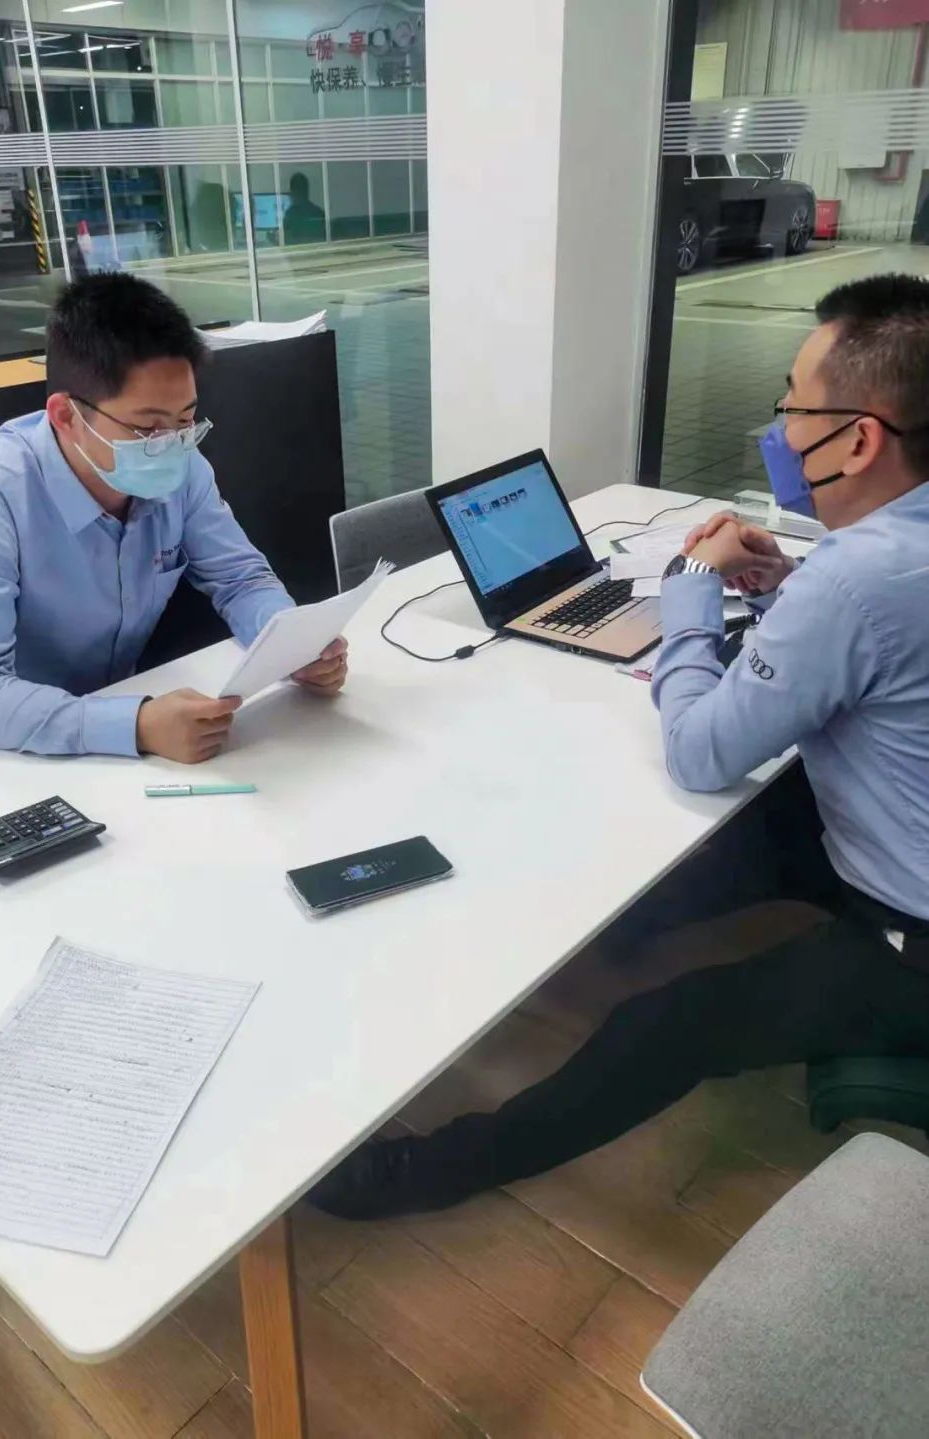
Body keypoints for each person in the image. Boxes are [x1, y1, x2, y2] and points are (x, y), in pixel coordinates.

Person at [310, 271, 929, 1220]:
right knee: (681, 864)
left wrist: (690, 586)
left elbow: (700, 752)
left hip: (909, 935)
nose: (780, 427)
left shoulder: (855, 579)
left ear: (860, 439)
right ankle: (589, 941)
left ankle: (432, 1170)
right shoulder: (888, 553)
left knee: (666, 1023)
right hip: (884, 837)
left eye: (794, 406)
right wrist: (778, 593)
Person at [0, 272, 347, 762]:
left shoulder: (182, 468)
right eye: (147, 428)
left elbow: (241, 578)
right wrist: (134, 725)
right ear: (66, 416)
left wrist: (289, 644)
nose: (172, 444)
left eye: (185, 420)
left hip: (112, 709)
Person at [283, 172, 326, 247]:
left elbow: (287, 242)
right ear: (307, 191)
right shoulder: (319, 213)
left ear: (293, 192)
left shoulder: (290, 215)